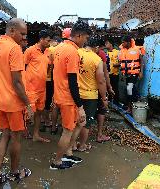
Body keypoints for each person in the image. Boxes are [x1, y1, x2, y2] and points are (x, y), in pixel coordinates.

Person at [0, 18, 33, 187]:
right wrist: (28, 105)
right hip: (14, 103)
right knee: (16, 139)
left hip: (0, 101)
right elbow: (16, 82)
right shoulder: (14, 49)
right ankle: (15, 172)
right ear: (12, 30)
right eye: (22, 34)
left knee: (5, 136)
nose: (24, 38)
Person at [50, 21, 91, 170]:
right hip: (68, 97)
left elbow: (56, 71)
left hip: (61, 94)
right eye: (85, 37)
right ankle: (57, 161)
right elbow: (72, 81)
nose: (86, 41)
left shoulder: (59, 47)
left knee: (80, 123)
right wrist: (80, 106)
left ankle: (68, 151)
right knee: (67, 131)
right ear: (79, 35)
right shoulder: (73, 52)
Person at [76, 37, 107, 151]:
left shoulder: (77, 52)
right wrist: (104, 97)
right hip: (90, 96)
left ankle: (73, 144)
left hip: (75, 94)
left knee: (74, 121)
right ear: (97, 47)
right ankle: (82, 145)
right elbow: (101, 81)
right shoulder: (96, 59)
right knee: (86, 122)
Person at [24, 29, 52, 143]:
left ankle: (36, 135)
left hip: (42, 88)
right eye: (48, 40)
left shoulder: (48, 52)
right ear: (41, 39)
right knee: (28, 113)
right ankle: (24, 131)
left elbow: (50, 65)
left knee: (39, 112)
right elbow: (22, 66)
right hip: (30, 88)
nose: (49, 43)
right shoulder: (30, 50)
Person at [119, 35, 143, 113]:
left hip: (134, 73)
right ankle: (136, 99)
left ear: (128, 42)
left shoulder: (137, 49)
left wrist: (141, 72)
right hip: (126, 74)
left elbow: (141, 61)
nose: (122, 44)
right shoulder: (122, 50)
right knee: (129, 90)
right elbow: (121, 62)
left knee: (129, 89)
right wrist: (122, 73)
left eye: (123, 42)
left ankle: (130, 107)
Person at [96, 40, 114, 143]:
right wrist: (109, 87)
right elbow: (105, 75)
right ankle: (99, 134)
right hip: (99, 88)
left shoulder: (81, 53)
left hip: (86, 90)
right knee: (102, 110)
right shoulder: (101, 54)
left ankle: (77, 141)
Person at [105, 40, 120, 105]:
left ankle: (116, 102)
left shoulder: (117, 52)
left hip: (114, 74)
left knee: (115, 88)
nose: (105, 44)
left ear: (111, 44)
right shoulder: (106, 53)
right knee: (108, 88)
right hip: (107, 74)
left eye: (107, 43)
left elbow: (121, 62)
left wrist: (115, 65)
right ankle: (110, 102)